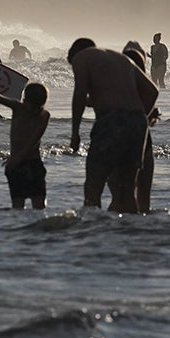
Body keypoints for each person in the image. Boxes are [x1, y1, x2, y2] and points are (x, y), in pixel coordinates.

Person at [67, 38, 159, 213]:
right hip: (137, 123)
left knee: (93, 188)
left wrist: (75, 132)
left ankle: (92, 232)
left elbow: (79, 93)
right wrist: (140, 117)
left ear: (73, 54)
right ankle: (128, 231)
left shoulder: (82, 57)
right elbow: (152, 91)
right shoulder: (122, 59)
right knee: (125, 190)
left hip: (110, 121)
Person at [0, 80, 50, 209]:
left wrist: (17, 158)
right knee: (23, 206)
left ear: (25, 98)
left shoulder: (37, 114)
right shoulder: (27, 110)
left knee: (32, 205)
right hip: (25, 165)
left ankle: (30, 227)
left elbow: (33, 141)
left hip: (28, 164)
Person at [120, 44, 160, 214]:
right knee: (144, 193)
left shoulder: (119, 87)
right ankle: (143, 221)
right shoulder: (145, 86)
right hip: (145, 140)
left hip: (123, 140)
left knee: (124, 192)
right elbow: (151, 118)